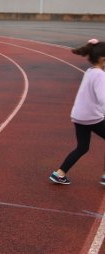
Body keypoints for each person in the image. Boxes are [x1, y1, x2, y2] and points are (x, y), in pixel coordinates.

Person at [49, 39, 105, 185]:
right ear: (103, 59)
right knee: (82, 146)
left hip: (79, 116)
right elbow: (103, 99)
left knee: (82, 147)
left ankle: (59, 174)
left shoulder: (90, 71)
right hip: (92, 117)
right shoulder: (100, 75)